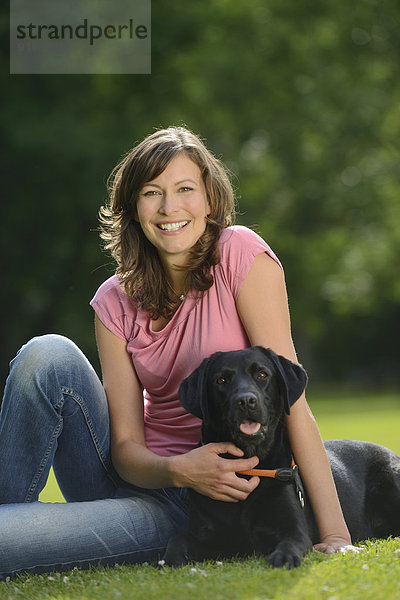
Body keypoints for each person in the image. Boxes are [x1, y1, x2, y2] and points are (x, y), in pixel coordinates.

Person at [0, 126, 357, 579]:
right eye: (152, 193)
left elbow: (293, 404)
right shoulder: (113, 300)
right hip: (149, 480)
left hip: (190, 511)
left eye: (185, 189)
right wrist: (179, 469)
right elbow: (126, 447)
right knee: (45, 354)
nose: (170, 208)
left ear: (209, 201)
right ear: (133, 208)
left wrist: (336, 535)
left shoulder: (240, 256)